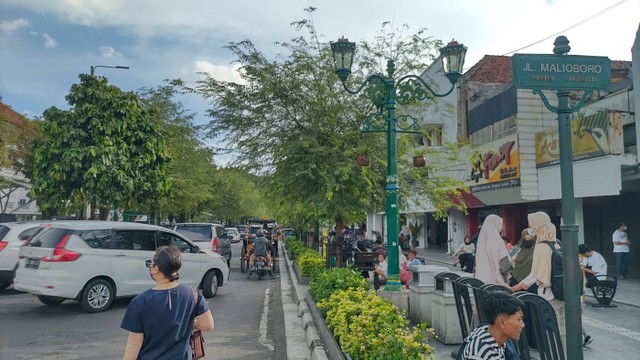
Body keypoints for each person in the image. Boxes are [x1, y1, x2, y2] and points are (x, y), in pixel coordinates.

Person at [121, 246, 214, 360]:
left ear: (156, 269)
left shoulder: (140, 301)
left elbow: (134, 343)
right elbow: (208, 325)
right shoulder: (193, 294)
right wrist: (187, 321)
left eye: (151, 264)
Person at [510, 211, 566, 352]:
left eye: (531, 223)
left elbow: (535, 276)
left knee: (551, 335)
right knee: (563, 332)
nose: (529, 227)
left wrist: (513, 289)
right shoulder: (557, 243)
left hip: (549, 295)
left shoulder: (541, 246)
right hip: (562, 293)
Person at [457, 291, 525, 360]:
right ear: (502, 322)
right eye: (519, 319)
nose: (522, 325)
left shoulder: (500, 341)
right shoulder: (480, 353)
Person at [475, 214, 512, 286]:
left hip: (481, 282)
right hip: (496, 283)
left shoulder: (481, 242)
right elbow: (504, 265)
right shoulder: (497, 241)